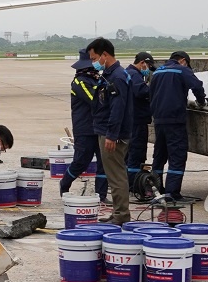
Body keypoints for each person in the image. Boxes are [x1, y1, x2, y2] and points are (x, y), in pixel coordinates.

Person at [148, 50, 208, 199]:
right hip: (174, 119)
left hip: (159, 119)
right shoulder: (182, 70)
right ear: (182, 60)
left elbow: (151, 93)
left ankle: (155, 190)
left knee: (159, 156)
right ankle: (172, 192)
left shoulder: (157, 72)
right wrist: (201, 101)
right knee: (177, 156)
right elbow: (197, 86)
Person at [88, 37, 134, 224]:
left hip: (113, 133)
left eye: (95, 58)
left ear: (105, 55)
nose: (94, 62)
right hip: (106, 130)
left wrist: (111, 135)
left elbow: (117, 108)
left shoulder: (117, 77)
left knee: (116, 176)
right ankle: (117, 213)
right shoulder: (110, 75)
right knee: (114, 174)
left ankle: (122, 215)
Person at [61, 50, 109, 202]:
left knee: (103, 162)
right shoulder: (79, 82)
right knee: (81, 161)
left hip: (99, 127)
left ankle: (101, 195)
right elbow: (94, 100)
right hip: (85, 129)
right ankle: (65, 183)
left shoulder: (98, 80)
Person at [126, 51, 154, 193]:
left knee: (129, 154)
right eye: (148, 65)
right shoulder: (134, 74)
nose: (148, 68)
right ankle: (133, 184)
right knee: (136, 153)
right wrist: (154, 90)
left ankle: (128, 182)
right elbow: (141, 91)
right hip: (137, 120)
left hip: (131, 120)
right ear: (142, 62)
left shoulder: (128, 72)